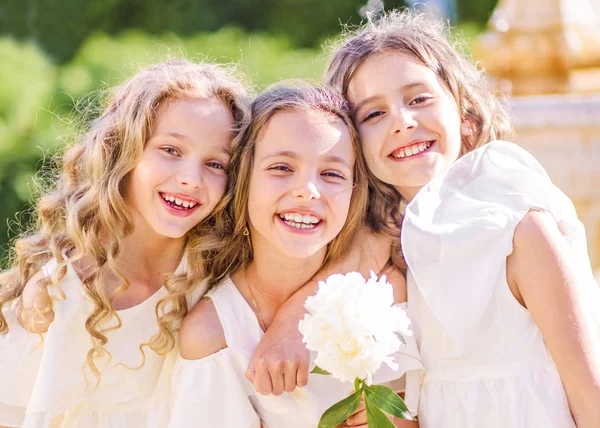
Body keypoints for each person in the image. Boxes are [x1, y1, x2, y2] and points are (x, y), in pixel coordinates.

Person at [250, 10, 600, 428]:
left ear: (464, 113)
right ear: (354, 145)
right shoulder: (394, 246)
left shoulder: (520, 231)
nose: (402, 122)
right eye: (373, 115)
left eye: (418, 99)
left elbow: (590, 389)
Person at [0, 59, 250, 427]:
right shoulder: (59, 291)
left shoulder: (218, 277)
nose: (190, 179)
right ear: (123, 151)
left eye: (216, 164)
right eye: (171, 150)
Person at [168, 84, 423, 427]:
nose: (307, 190)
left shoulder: (381, 292)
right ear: (243, 179)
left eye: (332, 174)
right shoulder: (215, 335)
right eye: (282, 168)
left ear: (354, 191)